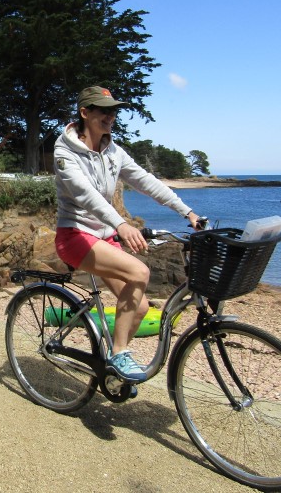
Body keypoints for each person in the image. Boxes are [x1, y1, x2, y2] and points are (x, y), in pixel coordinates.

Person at [53, 86, 201, 383]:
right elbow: (85, 195)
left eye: (114, 111)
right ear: (85, 112)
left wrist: (188, 212)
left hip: (103, 238)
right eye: (104, 110)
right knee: (139, 271)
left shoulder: (113, 151)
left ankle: (110, 366)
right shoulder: (64, 151)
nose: (111, 116)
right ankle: (120, 353)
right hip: (74, 235)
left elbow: (147, 182)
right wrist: (121, 223)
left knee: (142, 306)